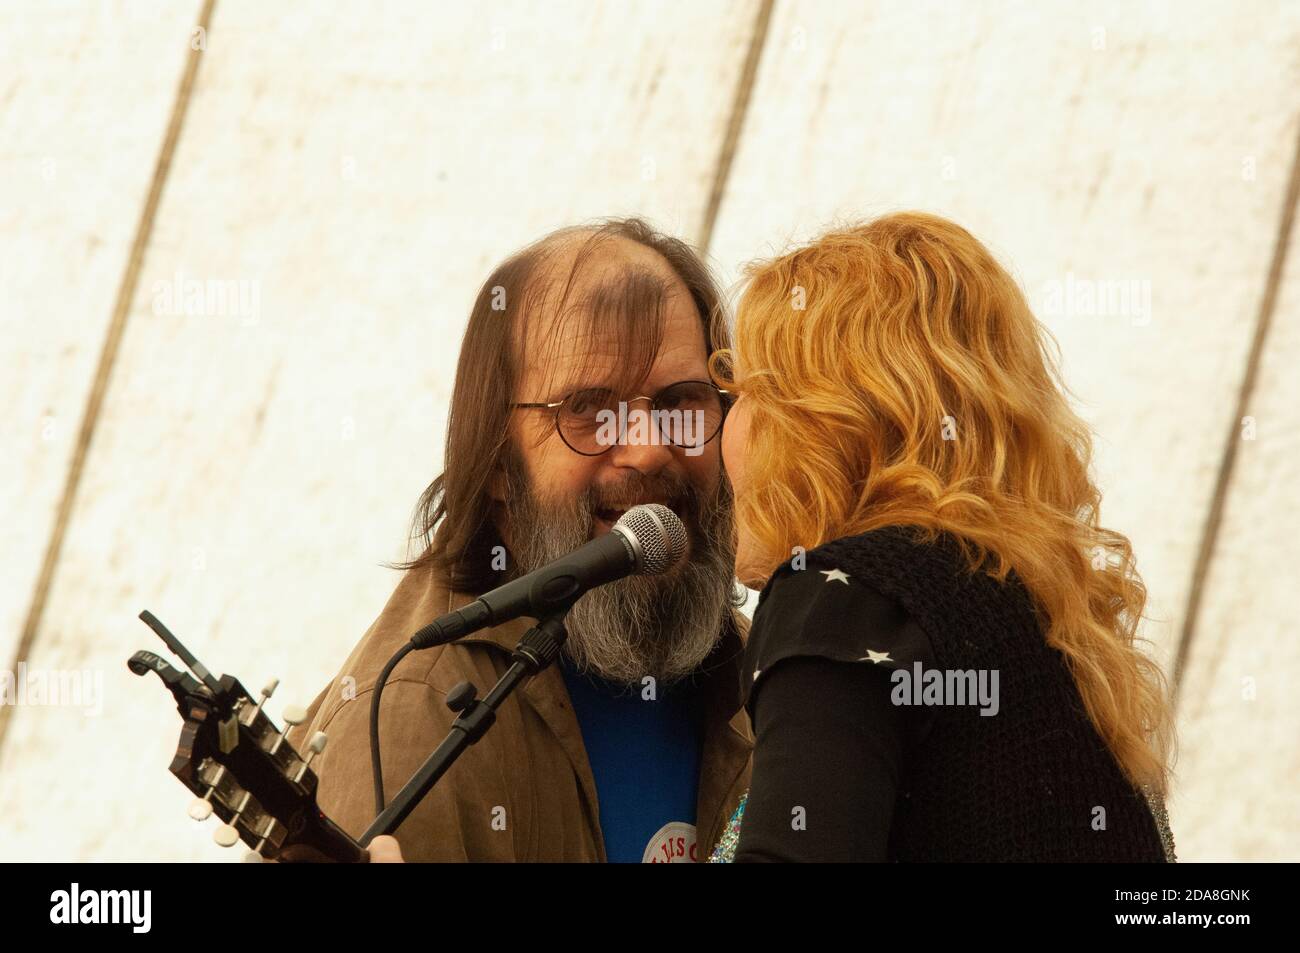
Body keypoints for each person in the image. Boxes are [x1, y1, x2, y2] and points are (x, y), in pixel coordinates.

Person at [708, 212, 1177, 862]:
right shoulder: (1052, 625)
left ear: (818, 423)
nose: (727, 428)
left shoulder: (846, 600)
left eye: (748, 390)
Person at [288, 218, 752, 862]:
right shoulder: (415, 725)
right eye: (589, 409)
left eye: (682, 400)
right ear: (501, 462)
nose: (647, 449)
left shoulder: (768, 681)